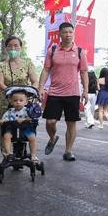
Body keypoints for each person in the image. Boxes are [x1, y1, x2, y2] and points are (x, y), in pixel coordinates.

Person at [37, 22, 89, 162]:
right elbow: (46, 69)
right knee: (50, 122)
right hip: (54, 92)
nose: (68, 35)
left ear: (73, 34)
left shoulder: (79, 51)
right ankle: (53, 138)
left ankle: (68, 151)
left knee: (71, 123)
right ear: (59, 34)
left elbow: (84, 72)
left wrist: (86, 91)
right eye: (65, 32)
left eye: (70, 32)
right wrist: (41, 87)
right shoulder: (52, 50)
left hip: (73, 93)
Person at [0, 36, 39, 121]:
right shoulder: (0, 65)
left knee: (25, 128)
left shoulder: (28, 64)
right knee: (5, 129)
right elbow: (0, 83)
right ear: (6, 48)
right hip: (5, 101)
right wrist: (13, 92)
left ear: (20, 47)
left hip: (23, 101)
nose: (13, 48)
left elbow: (35, 81)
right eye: (10, 46)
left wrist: (30, 92)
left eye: (16, 45)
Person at [0, 90, 37, 162]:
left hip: (25, 129)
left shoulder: (27, 110)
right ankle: (8, 153)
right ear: (11, 102)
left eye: (21, 100)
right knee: (6, 136)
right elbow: (3, 119)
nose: (18, 102)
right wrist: (2, 121)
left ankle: (33, 154)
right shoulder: (10, 111)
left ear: (26, 102)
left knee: (32, 138)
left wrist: (25, 119)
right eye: (15, 100)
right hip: (12, 129)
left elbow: (33, 118)